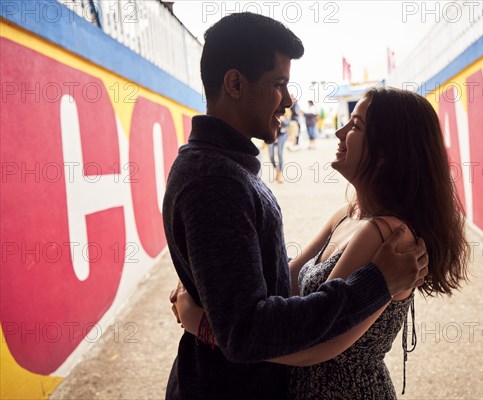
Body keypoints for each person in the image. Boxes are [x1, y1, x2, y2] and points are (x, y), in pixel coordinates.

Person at [162, 13, 428, 400]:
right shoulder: (216, 181)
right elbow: (246, 332)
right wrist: (375, 284)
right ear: (235, 83)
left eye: (355, 126)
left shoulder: (228, 169)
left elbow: (275, 287)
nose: (288, 100)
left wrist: (200, 319)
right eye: (279, 84)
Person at [173, 87, 469, 398]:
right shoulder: (347, 215)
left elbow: (317, 344)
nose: (339, 132)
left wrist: (205, 324)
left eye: (355, 126)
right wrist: (211, 287)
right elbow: (282, 282)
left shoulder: (386, 235)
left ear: (386, 153)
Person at [268, 108, 290, 183]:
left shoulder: (285, 110)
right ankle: (276, 169)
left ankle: (279, 174)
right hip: (272, 135)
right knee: (271, 155)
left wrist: (283, 120)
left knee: (280, 153)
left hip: (282, 135)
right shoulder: (271, 109)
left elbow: (288, 123)